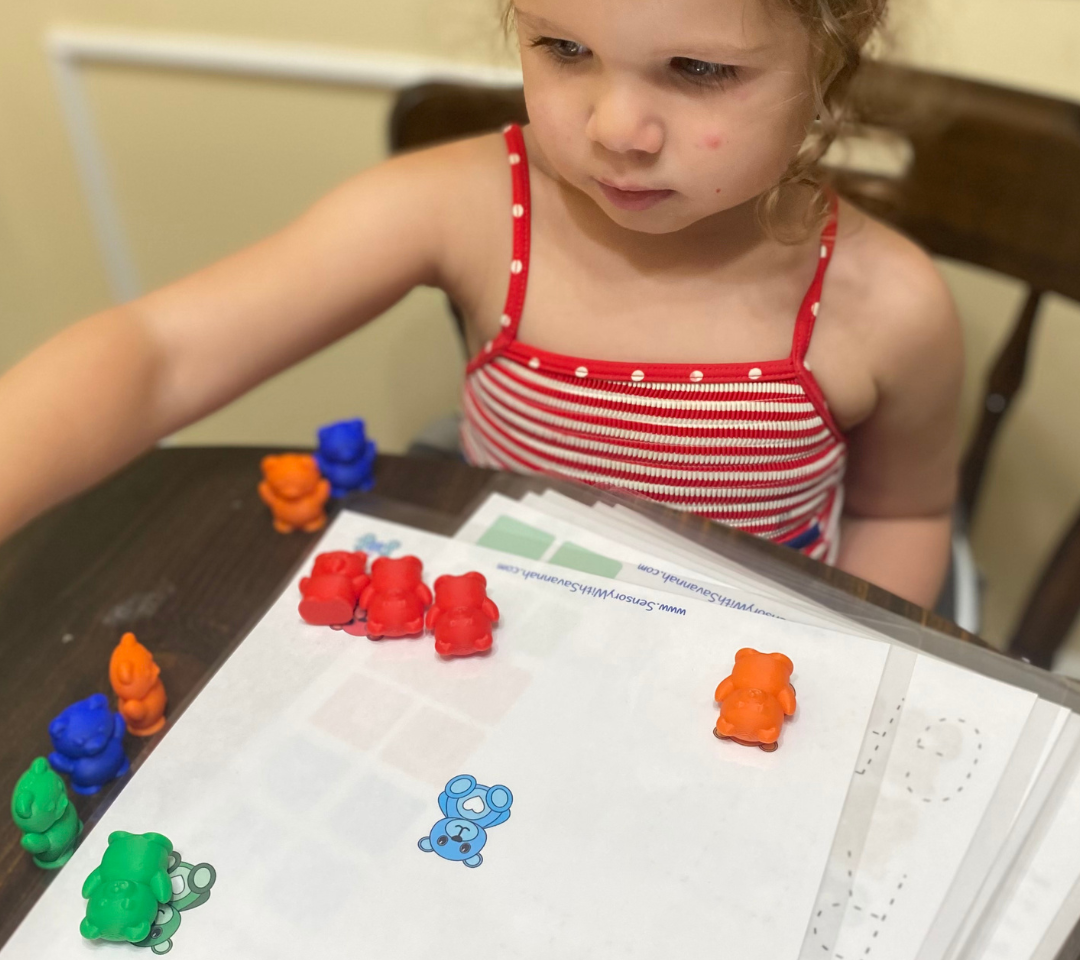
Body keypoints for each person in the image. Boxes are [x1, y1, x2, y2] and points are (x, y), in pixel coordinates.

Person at [0, 0, 963, 608]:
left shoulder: (887, 302)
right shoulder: (465, 206)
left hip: (744, 678)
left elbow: (907, 517)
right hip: (503, 634)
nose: (617, 128)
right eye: (564, 47)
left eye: (700, 70)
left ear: (831, 53)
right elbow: (161, 349)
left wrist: (844, 671)